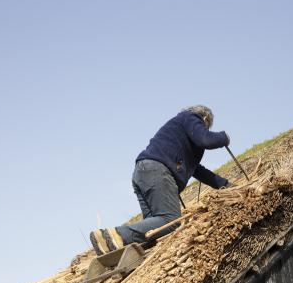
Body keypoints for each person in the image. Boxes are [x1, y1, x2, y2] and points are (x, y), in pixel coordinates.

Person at [90, 105, 231, 255]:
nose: (205, 129)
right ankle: (117, 234)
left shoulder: (180, 136)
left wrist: (224, 184)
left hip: (143, 172)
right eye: (206, 126)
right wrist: (224, 137)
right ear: (205, 119)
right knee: (170, 221)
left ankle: (114, 250)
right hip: (158, 171)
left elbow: (198, 170)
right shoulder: (191, 118)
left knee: (153, 230)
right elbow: (206, 140)